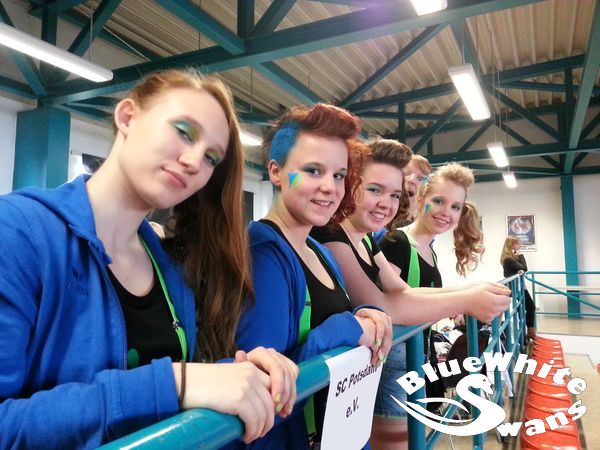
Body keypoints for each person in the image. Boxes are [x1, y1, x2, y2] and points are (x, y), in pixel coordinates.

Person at [0, 69, 298, 449]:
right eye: (184, 132)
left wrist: (241, 376)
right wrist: (177, 382)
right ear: (127, 117)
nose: (195, 161)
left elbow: (160, 395)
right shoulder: (18, 232)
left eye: (211, 158)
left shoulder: (168, 272)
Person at [310, 140, 511, 450]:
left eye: (394, 195)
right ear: (351, 185)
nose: (386, 204)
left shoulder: (366, 241)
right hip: (329, 379)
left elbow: (403, 290)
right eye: (374, 190)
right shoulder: (333, 234)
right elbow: (381, 304)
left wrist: (470, 290)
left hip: (359, 371)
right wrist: (466, 300)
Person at [234, 104, 394, 449]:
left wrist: (363, 315)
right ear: (276, 172)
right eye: (313, 170)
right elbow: (267, 390)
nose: (330, 187)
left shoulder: (319, 250)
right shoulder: (263, 255)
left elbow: (326, 320)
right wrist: (349, 328)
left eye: (338, 175)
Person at [501, 235, 536, 340]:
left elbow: (522, 269)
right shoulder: (508, 259)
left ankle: (529, 332)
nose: (519, 245)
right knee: (530, 307)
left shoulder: (512, 257)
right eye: (517, 243)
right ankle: (529, 332)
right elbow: (524, 268)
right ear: (511, 245)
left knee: (526, 309)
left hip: (519, 287)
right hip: (516, 288)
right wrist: (521, 255)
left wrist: (520, 261)